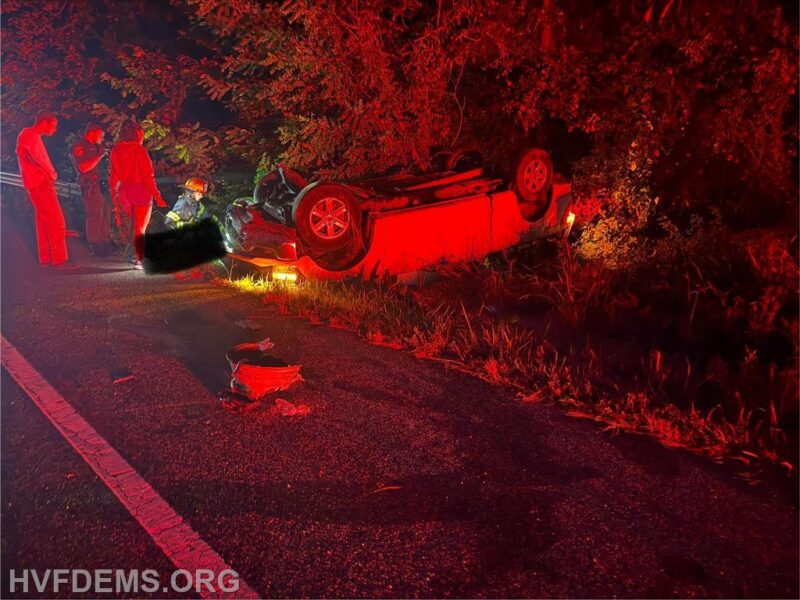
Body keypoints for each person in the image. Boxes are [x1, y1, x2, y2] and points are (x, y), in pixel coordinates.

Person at [15, 112, 79, 270]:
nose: (54, 129)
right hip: (40, 182)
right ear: (44, 122)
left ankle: (46, 257)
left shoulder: (30, 135)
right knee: (56, 220)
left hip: (35, 182)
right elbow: (26, 154)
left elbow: (26, 154)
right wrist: (44, 172)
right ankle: (60, 260)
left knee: (44, 220)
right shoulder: (29, 134)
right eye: (53, 125)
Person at [108, 119, 167, 270]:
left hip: (124, 191)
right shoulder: (140, 151)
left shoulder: (115, 151)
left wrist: (114, 196)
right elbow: (148, 177)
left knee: (132, 225)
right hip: (140, 190)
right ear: (138, 133)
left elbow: (113, 177)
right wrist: (158, 197)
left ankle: (134, 254)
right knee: (140, 228)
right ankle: (140, 260)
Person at [71, 123, 112, 256]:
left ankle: (105, 242)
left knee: (105, 214)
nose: (102, 138)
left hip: (103, 184)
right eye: (101, 135)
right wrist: (99, 156)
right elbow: (83, 168)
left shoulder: (98, 147)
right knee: (95, 215)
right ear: (92, 132)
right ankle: (95, 245)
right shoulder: (79, 146)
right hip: (91, 185)